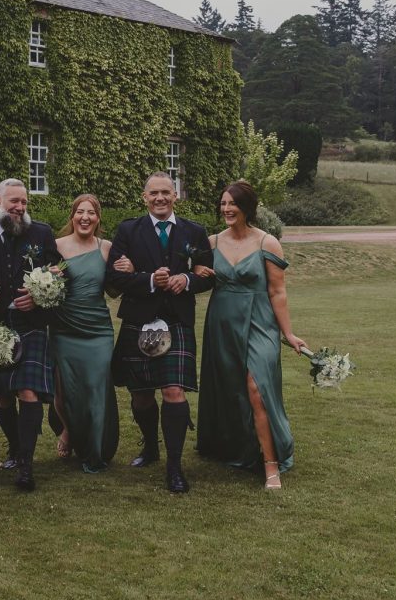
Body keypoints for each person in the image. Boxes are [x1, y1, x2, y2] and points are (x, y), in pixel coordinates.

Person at [195, 181, 308, 490]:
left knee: (256, 387)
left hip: (259, 322)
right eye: (223, 203)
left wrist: (288, 332)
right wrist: (196, 272)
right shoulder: (212, 242)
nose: (227, 209)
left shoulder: (266, 243)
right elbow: (193, 274)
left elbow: (278, 291)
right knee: (231, 388)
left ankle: (271, 464)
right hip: (222, 322)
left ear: (247, 207)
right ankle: (236, 446)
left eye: (233, 204)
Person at [105, 172, 213, 494]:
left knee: (173, 392)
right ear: (144, 197)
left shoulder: (195, 231)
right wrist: (151, 280)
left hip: (177, 321)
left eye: (166, 192)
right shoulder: (128, 230)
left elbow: (208, 274)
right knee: (140, 396)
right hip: (138, 320)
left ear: (176, 195)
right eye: (154, 193)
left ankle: (174, 466)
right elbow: (113, 278)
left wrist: (188, 281)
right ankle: (150, 446)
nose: (160, 198)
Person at [0, 178, 61, 491]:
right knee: (1, 393)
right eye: (14, 201)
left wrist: (40, 295)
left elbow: (58, 275)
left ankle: (26, 463)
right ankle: (13, 446)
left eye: (24, 202)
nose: (20, 207)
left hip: (31, 324)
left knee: (28, 391)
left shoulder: (41, 232)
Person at [50, 194, 133, 473]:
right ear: (72, 216)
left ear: (98, 219)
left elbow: (113, 289)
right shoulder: (56, 246)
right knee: (66, 392)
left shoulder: (106, 247)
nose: (85, 217)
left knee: (97, 389)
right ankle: (69, 431)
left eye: (91, 213)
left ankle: (96, 450)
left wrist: (127, 271)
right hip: (65, 327)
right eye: (80, 212)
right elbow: (44, 284)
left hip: (97, 330)